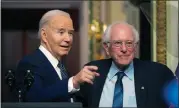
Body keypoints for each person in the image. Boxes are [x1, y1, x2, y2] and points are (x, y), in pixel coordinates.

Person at [80, 21, 176, 108]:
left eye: (129, 43)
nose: (124, 49)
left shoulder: (158, 73)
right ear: (106, 47)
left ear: (135, 46)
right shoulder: (93, 71)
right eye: (118, 43)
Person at [15, 10, 99, 102]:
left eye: (70, 33)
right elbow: (34, 99)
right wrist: (74, 81)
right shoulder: (29, 63)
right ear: (44, 35)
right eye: (61, 32)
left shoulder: (62, 69)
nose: (68, 39)